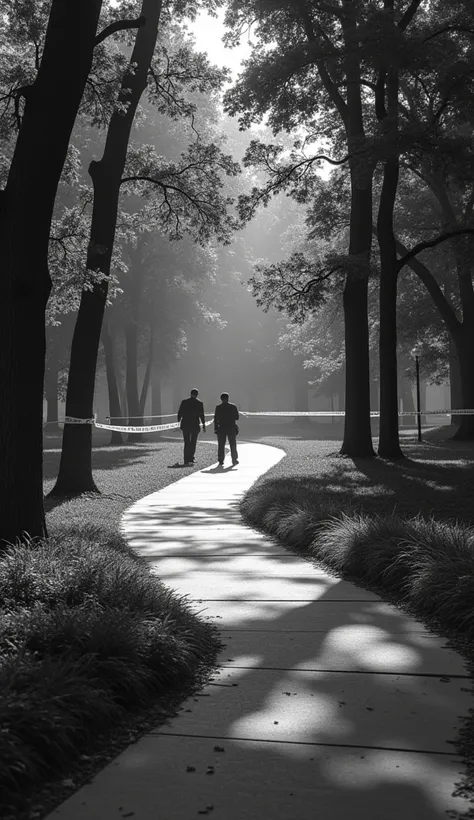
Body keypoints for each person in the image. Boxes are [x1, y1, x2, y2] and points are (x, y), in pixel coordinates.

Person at [177, 388, 206, 466]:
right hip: (195, 424)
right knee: (193, 442)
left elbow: (179, 413)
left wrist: (178, 422)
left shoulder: (184, 402)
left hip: (185, 424)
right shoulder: (199, 403)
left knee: (187, 442)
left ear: (190, 394)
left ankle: (186, 458)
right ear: (197, 395)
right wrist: (203, 424)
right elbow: (202, 415)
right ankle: (191, 457)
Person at [214, 392, 239, 467]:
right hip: (231, 427)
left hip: (221, 428)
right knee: (233, 444)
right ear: (228, 398)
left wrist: (216, 428)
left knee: (221, 444)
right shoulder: (233, 407)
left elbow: (216, 419)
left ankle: (221, 460)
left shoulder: (218, 407)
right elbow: (237, 417)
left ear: (221, 399)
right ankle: (234, 459)